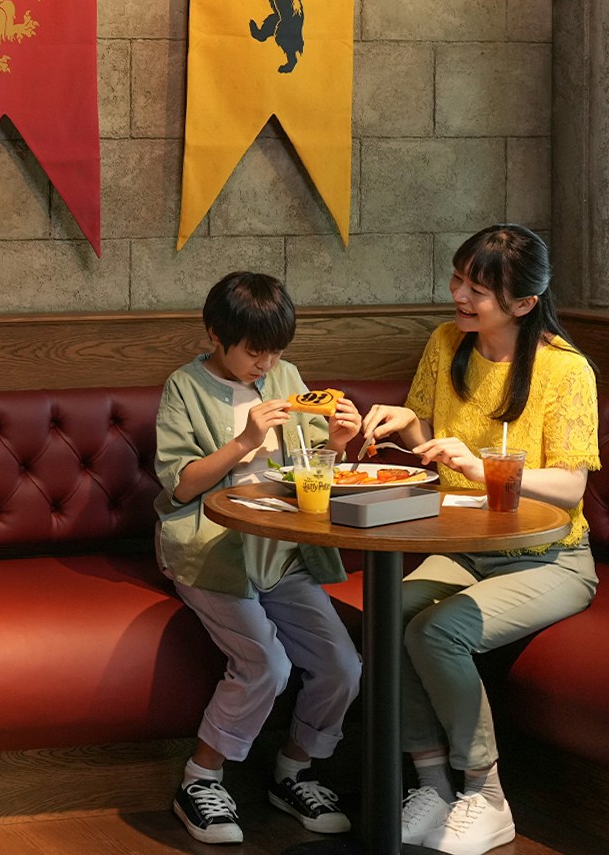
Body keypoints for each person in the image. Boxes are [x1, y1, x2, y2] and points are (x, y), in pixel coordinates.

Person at [361, 224, 598, 855]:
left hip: (551, 558)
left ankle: (486, 795)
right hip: (465, 549)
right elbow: (436, 446)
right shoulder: (446, 343)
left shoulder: (564, 370)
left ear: (524, 303)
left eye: (479, 289)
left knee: (435, 631)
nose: (460, 296)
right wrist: (412, 426)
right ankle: (433, 786)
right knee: (386, 617)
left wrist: (484, 466)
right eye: (459, 279)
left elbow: (571, 488)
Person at [154, 271, 364, 845]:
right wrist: (243, 442)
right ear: (216, 335)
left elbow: (307, 462)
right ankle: (201, 777)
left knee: (344, 667)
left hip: (282, 549)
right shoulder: (184, 387)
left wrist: (338, 446)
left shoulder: (287, 377)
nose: (266, 364)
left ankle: (292, 772)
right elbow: (179, 485)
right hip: (210, 549)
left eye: (276, 351)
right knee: (265, 664)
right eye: (254, 351)